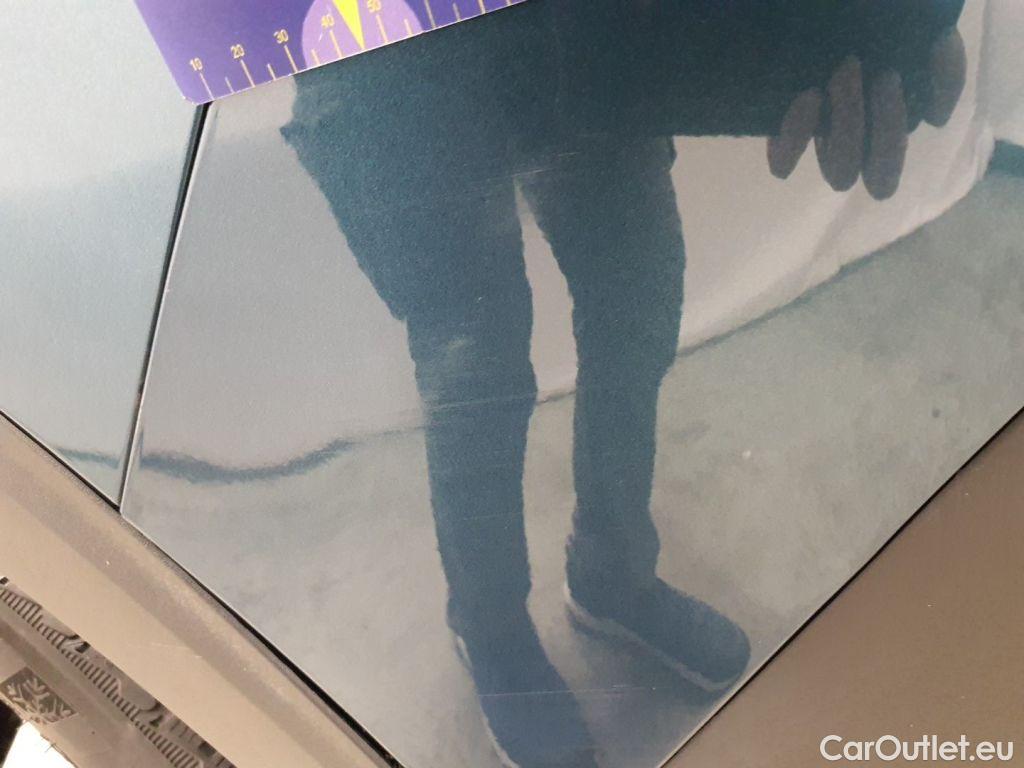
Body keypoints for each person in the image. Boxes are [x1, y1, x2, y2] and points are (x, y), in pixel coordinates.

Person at [284, 2, 965, 765]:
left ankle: (611, 572)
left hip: (576, 25)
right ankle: (490, 626)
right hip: (385, 47)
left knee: (636, 291)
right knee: (474, 364)